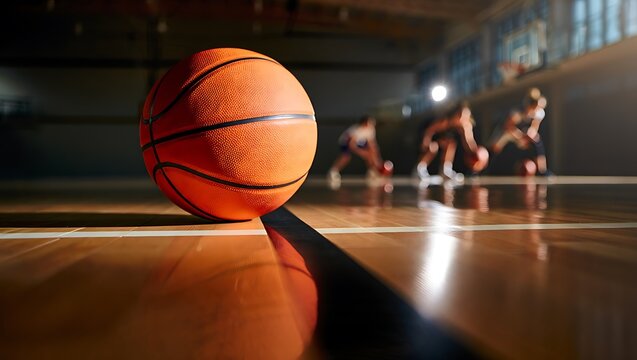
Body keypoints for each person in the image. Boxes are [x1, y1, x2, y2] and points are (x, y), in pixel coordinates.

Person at [415, 101, 480, 181]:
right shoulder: (445, 121)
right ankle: (419, 169)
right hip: (428, 135)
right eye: (460, 114)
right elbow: (429, 130)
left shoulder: (465, 126)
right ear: (455, 114)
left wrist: (477, 152)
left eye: (466, 115)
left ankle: (445, 170)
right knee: (433, 148)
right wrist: (425, 142)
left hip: (443, 139)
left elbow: (468, 142)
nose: (463, 117)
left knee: (451, 145)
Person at [491, 88, 550, 175]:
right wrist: (520, 136)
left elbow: (534, 128)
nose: (537, 109)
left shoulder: (539, 113)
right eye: (535, 107)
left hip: (522, 134)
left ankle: (542, 171)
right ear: (530, 105)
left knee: (537, 140)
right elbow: (507, 127)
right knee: (495, 147)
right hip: (509, 133)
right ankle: (488, 169)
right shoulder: (517, 112)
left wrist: (528, 136)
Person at [328, 115, 382, 182]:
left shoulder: (371, 130)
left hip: (360, 142)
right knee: (346, 157)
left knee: (371, 153)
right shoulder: (356, 130)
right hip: (346, 142)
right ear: (364, 123)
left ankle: (372, 171)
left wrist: (377, 160)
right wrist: (363, 153)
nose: (372, 124)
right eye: (370, 123)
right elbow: (352, 145)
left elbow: (372, 145)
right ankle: (333, 171)